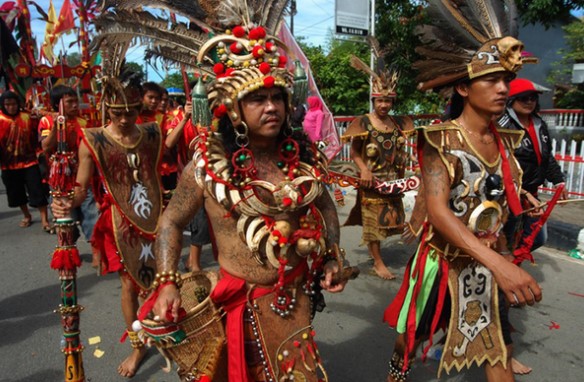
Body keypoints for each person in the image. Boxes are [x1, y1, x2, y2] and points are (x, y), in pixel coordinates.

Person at [148, 15, 353, 381]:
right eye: (257, 98)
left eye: (277, 97)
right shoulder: (207, 167)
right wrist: (167, 281)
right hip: (239, 303)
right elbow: (171, 220)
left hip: (296, 298)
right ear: (233, 107)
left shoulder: (304, 157)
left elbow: (325, 207)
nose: (271, 107)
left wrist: (334, 254)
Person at [383, 1, 542, 381]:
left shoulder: (507, 139)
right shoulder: (440, 140)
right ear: (463, 87)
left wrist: (519, 206)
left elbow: (498, 198)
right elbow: (438, 211)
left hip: (488, 263)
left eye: (506, 78)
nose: (503, 88)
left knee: (498, 351)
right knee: (408, 342)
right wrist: (501, 264)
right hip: (443, 262)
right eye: (491, 79)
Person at [52, 74, 163, 378]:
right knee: (129, 284)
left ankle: (162, 327)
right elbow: (81, 186)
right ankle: (139, 345)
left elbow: (156, 172)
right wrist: (66, 201)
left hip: (155, 219)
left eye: (131, 111)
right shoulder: (94, 139)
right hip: (119, 223)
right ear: (106, 109)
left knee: (161, 278)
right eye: (118, 113)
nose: (125, 119)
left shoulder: (152, 132)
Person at [343, 43, 414, 280]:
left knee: (392, 219)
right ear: (373, 100)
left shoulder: (398, 123)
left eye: (388, 101)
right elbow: (354, 152)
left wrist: (406, 167)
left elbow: (401, 151)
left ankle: (381, 255)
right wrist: (363, 169)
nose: (384, 105)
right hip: (371, 181)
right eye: (380, 100)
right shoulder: (363, 122)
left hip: (392, 182)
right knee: (373, 223)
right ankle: (377, 261)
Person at [499, 78, 568, 253]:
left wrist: (559, 181)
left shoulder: (539, 124)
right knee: (505, 241)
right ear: (512, 100)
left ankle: (511, 268)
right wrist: (522, 192)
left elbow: (546, 157)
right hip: (511, 193)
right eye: (524, 98)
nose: (530, 102)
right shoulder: (503, 126)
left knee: (537, 238)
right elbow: (501, 163)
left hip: (533, 194)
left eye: (533, 98)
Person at [39, 85, 99, 245]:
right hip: (60, 179)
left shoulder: (84, 122)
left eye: (76, 101)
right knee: (65, 216)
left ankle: (96, 250)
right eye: (69, 102)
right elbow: (45, 146)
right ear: (57, 104)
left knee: (92, 213)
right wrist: (57, 126)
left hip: (83, 177)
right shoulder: (46, 121)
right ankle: (69, 250)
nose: (75, 105)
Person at [0, 91, 50, 231]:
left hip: (30, 161)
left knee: (37, 190)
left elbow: (40, 130)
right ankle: (27, 215)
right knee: (17, 194)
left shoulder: (27, 117)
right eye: (8, 104)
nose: (11, 107)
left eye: (14, 104)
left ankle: (44, 220)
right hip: (8, 165)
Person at [137, 82, 176, 194]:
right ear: (141, 97)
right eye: (150, 97)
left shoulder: (162, 117)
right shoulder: (132, 116)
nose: (154, 101)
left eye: (157, 98)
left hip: (157, 168)